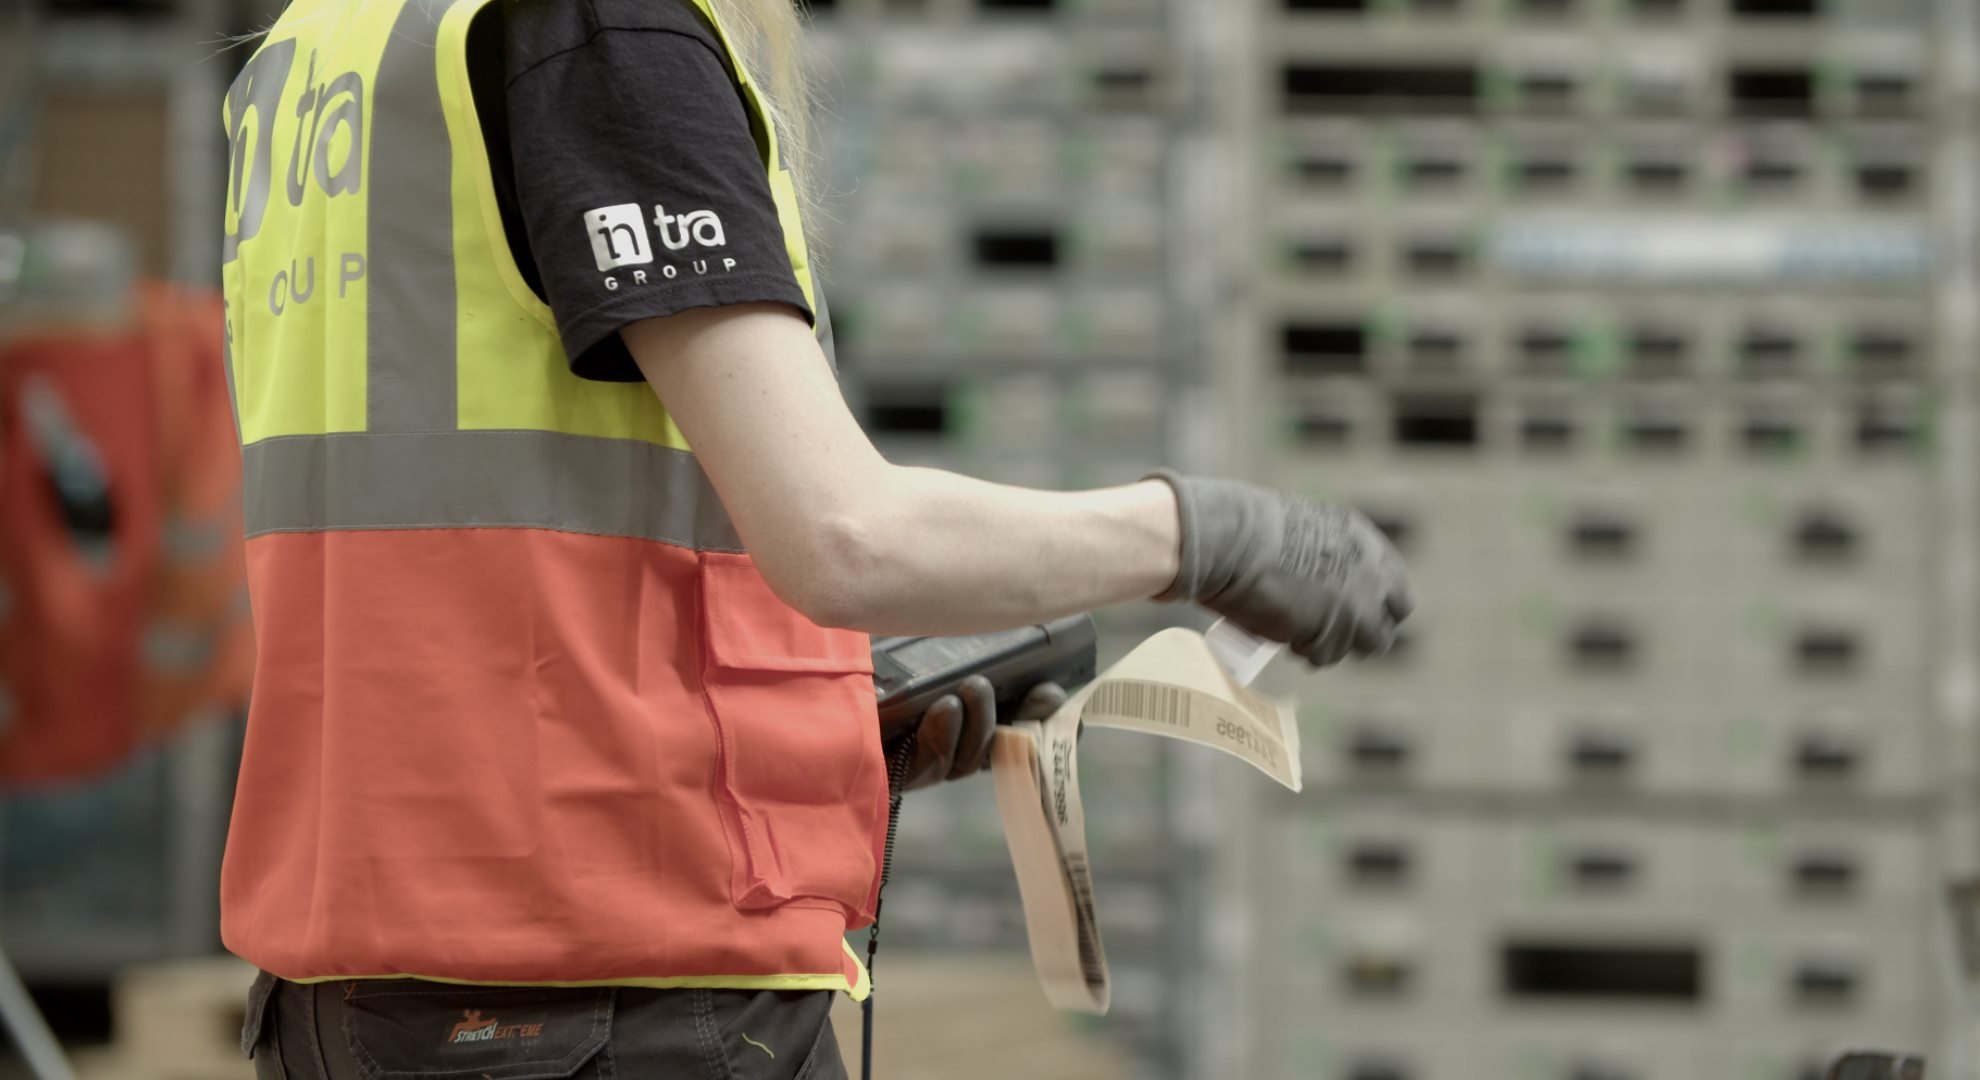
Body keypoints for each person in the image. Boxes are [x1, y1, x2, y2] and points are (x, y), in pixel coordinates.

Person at [217, 0, 1415, 1077]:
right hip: (610, 991)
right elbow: (844, 537)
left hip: (356, 992)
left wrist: (812, 724)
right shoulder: (601, 34)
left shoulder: (322, 51)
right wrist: (1207, 534)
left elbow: (484, 550)